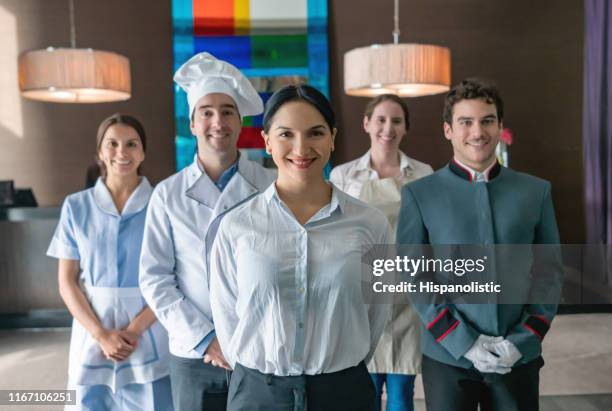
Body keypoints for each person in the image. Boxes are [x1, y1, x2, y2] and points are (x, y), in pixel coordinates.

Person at [209, 85, 391, 411]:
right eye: (285, 134)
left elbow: (376, 313)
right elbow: (227, 319)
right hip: (259, 394)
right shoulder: (236, 226)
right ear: (266, 140)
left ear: (333, 138)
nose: (301, 147)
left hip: (343, 393)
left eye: (315, 133)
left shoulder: (370, 224)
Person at [397, 78, 563, 411]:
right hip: (447, 357)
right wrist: (464, 342)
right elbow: (413, 275)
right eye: (466, 122)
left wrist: (523, 339)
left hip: (517, 355)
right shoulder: (419, 194)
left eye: (487, 120)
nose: (478, 131)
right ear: (448, 130)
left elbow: (550, 273)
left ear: (500, 126)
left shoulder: (536, 192)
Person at [139, 52, 275, 411]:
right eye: (207, 112)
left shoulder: (269, 185)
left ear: (240, 120)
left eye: (227, 111)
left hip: (257, 346)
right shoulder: (167, 194)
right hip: (192, 354)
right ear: (193, 123)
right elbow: (155, 278)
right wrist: (205, 338)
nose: (218, 121)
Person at [47, 114, 173, 411]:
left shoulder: (162, 205)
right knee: (91, 402)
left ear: (143, 152)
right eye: (112, 144)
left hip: (149, 326)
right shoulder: (76, 206)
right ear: (100, 152)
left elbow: (172, 277)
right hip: (93, 326)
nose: (122, 152)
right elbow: (67, 281)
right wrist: (101, 334)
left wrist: (133, 332)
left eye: (131, 144)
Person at [330, 94, 432, 411]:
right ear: (366, 124)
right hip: (361, 297)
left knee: (402, 393)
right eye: (381, 120)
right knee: (365, 391)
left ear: (405, 128)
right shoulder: (343, 177)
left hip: (407, 297)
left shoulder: (424, 173)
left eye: (396, 121)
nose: (388, 128)